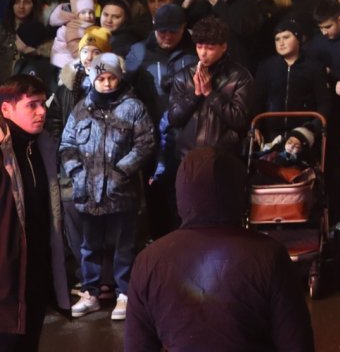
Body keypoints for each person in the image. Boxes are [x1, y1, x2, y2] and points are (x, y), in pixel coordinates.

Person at [125, 146, 314, 352]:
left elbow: (137, 346)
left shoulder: (148, 261)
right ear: (240, 193)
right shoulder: (270, 255)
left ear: (181, 193)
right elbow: (297, 344)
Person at [59, 52, 154, 321]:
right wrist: (77, 174)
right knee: (89, 246)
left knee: (124, 244)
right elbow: (67, 145)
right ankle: (90, 292)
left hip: (121, 192)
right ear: (93, 79)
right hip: (88, 193)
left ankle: (124, 293)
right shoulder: (80, 108)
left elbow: (145, 144)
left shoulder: (133, 107)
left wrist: (121, 171)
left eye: (112, 77)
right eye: (101, 78)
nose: (107, 83)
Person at [0, 73, 70, 351]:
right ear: (6, 108)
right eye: (32, 105)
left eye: (43, 104)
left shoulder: (40, 146)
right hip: (5, 279)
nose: (42, 112)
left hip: (35, 273)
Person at [163, 15, 253, 167]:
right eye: (199, 47)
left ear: (223, 46)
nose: (203, 53)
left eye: (210, 48)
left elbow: (240, 120)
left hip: (224, 159)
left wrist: (211, 94)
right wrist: (195, 94)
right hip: (187, 157)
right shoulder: (183, 75)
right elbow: (174, 119)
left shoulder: (240, 77)